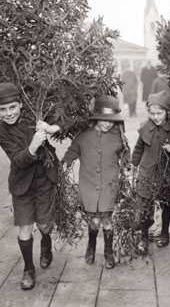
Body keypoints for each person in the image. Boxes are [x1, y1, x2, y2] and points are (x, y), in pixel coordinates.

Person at [0, 82, 63, 290]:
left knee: (45, 224)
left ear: (20, 105)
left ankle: (46, 242)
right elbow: (17, 159)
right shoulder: (2, 131)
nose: (8, 113)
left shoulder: (36, 116)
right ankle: (28, 268)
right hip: (22, 184)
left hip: (44, 179)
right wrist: (34, 146)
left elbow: (69, 119)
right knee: (25, 227)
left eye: (12, 107)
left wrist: (52, 127)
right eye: (2, 110)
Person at [62, 95, 130, 269]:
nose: (107, 124)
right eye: (103, 120)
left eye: (111, 121)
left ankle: (108, 252)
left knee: (107, 220)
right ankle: (91, 246)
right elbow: (71, 152)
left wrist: (128, 165)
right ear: (95, 118)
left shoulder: (118, 136)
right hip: (89, 184)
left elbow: (125, 154)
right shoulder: (84, 136)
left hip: (109, 184)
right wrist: (65, 163)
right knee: (94, 221)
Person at [132, 91, 170, 255]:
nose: (156, 117)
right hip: (147, 172)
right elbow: (138, 149)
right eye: (152, 113)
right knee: (145, 206)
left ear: (167, 112)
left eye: (159, 113)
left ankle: (164, 232)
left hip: (166, 173)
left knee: (165, 203)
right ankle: (143, 236)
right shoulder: (145, 128)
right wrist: (133, 165)